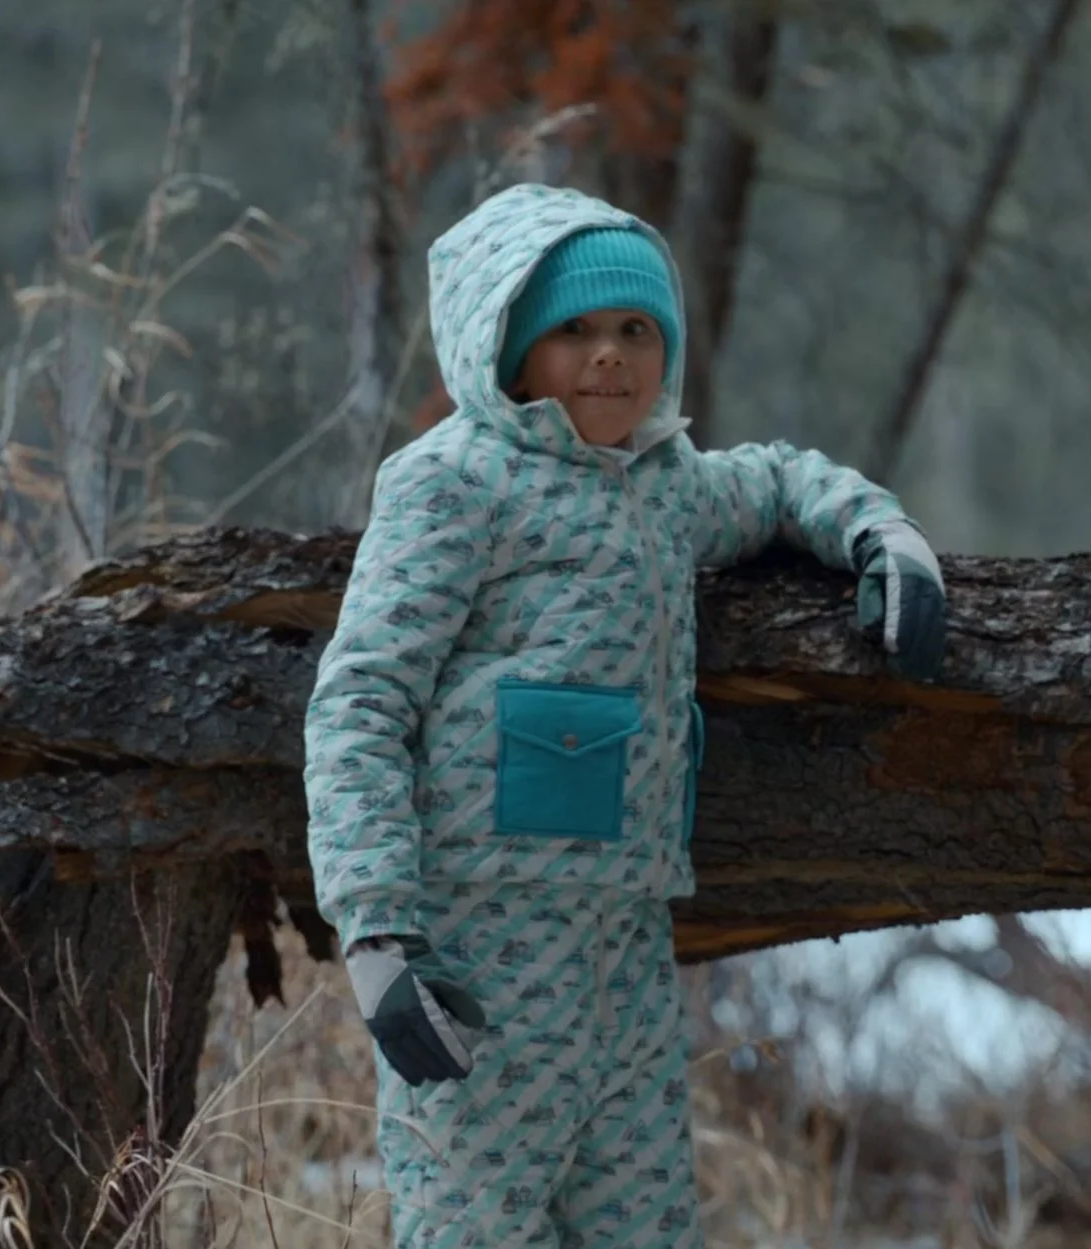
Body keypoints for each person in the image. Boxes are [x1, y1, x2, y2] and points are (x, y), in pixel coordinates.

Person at [303, 182, 947, 1248]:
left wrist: (884, 536)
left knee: (645, 1222)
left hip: (628, 945)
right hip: (479, 943)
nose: (610, 354)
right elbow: (361, 702)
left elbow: (777, 482)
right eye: (574, 330)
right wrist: (377, 933)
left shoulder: (667, 484)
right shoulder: (452, 484)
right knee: (472, 1227)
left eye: (636, 329)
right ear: (506, 345)